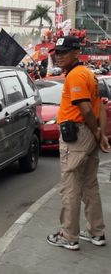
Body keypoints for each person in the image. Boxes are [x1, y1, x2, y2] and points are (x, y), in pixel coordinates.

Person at [47, 36, 108, 250]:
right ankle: (96, 232)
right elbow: (99, 107)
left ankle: (68, 235)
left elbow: (87, 109)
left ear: (76, 52)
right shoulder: (88, 74)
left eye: (64, 52)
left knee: (70, 186)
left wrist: (97, 131)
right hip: (88, 135)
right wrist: (100, 135)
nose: (59, 56)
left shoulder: (76, 76)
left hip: (77, 135)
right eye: (57, 52)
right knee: (90, 185)